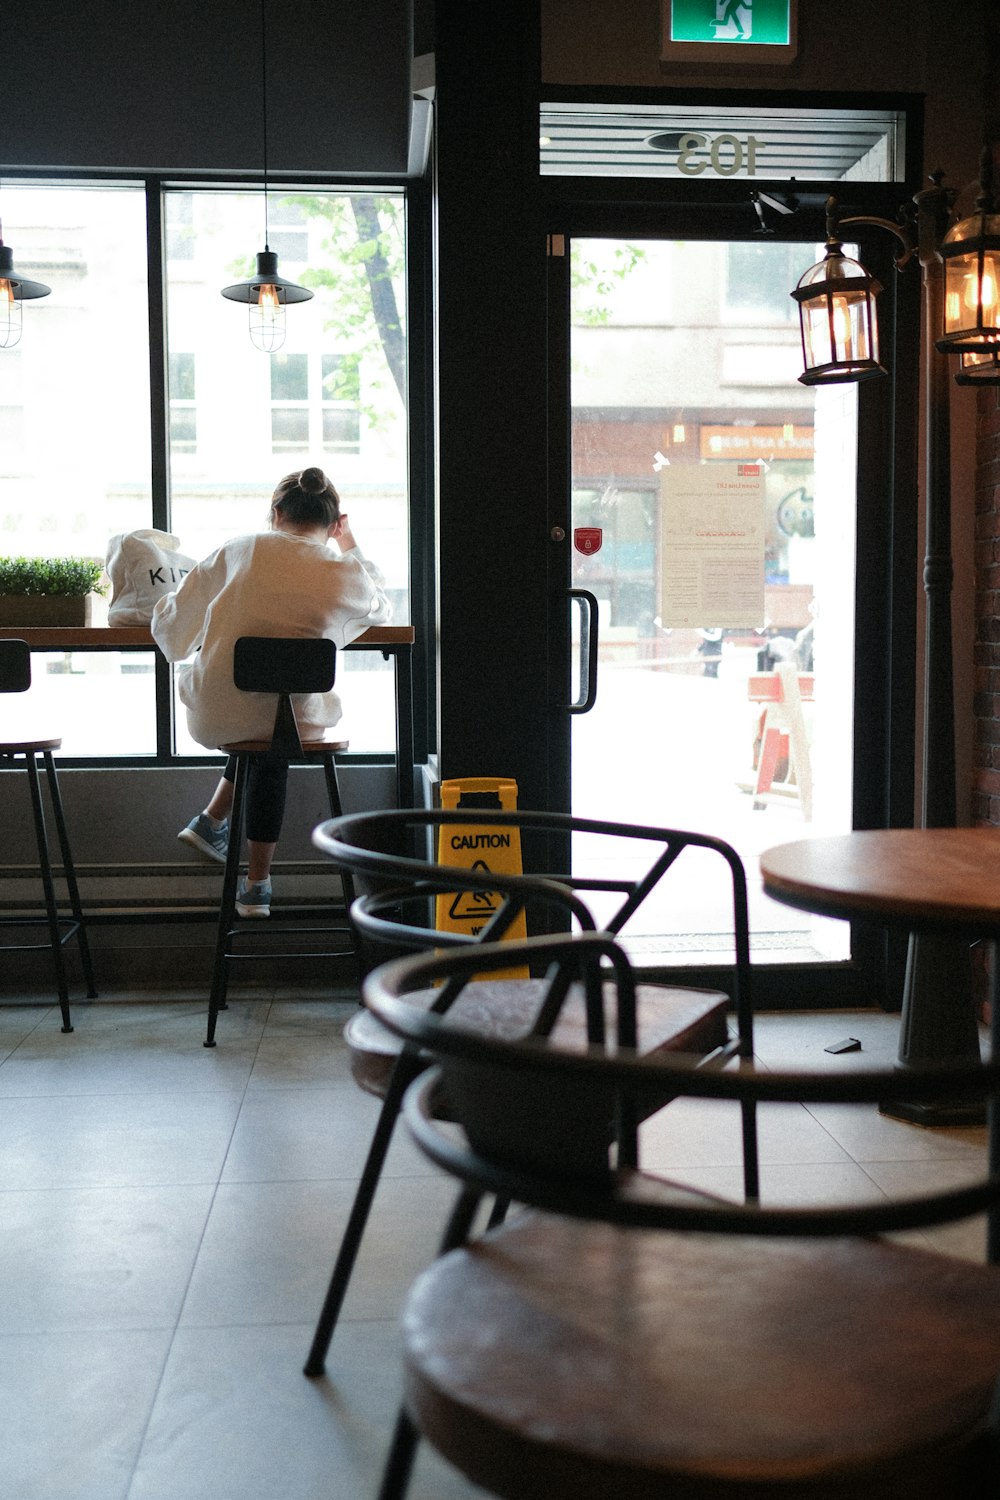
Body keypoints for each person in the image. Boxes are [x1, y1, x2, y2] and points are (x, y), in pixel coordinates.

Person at [151, 466, 391, 917]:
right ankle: (256, 882)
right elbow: (380, 603)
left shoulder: (237, 549)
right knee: (277, 727)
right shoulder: (341, 570)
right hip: (292, 720)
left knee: (261, 726)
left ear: (275, 513)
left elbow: (172, 629)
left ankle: (212, 823)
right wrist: (347, 542)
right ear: (334, 521)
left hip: (218, 711)